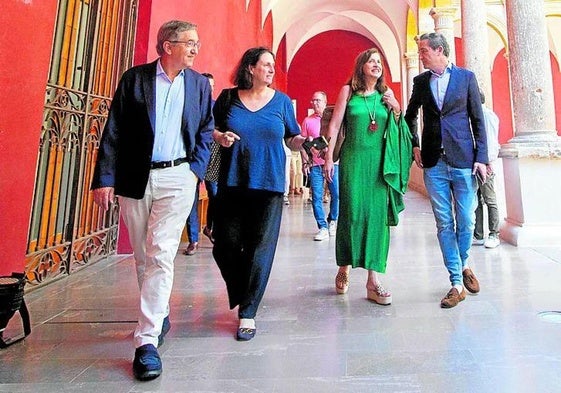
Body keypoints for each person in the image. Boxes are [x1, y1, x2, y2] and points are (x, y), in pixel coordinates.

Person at [91, 20, 214, 380]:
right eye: (189, 43)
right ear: (166, 46)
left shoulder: (197, 85)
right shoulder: (136, 79)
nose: (195, 49)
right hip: (136, 177)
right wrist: (105, 179)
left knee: (161, 251)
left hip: (178, 177)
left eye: (197, 43)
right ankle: (158, 313)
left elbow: (205, 128)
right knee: (145, 257)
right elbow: (114, 129)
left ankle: (145, 342)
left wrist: (196, 171)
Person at [211, 47, 306, 341]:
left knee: (259, 249)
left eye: (273, 66)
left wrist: (302, 141)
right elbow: (210, 128)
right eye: (265, 64)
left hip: (269, 183)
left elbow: (291, 137)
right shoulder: (228, 98)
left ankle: (247, 312)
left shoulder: (280, 102)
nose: (270, 69)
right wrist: (220, 137)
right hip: (232, 180)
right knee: (224, 244)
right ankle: (243, 288)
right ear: (250, 68)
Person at [404, 32, 488, 309]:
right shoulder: (420, 82)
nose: (421, 55)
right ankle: (455, 281)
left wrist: (482, 157)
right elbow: (409, 116)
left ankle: (463, 263)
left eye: (424, 51)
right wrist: (414, 145)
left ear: (440, 51)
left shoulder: (466, 78)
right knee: (444, 223)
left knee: (467, 219)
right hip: (433, 162)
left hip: (464, 159)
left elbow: (478, 119)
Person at [323, 48, 411, 306]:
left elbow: (398, 130)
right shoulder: (347, 91)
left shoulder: (386, 95)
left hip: (379, 165)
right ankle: (344, 265)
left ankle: (373, 280)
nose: (376, 65)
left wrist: (396, 111)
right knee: (351, 213)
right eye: (371, 61)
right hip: (352, 160)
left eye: (379, 62)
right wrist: (329, 158)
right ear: (361, 66)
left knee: (376, 219)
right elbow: (335, 125)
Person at [184, 72, 217, 254]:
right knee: (192, 198)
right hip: (192, 157)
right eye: (207, 85)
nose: (209, 89)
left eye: (212, 86)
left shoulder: (216, 106)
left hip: (212, 157)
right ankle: (193, 240)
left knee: (215, 194)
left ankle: (210, 227)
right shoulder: (191, 105)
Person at [300, 91, 339, 241]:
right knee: (316, 197)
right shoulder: (307, 121)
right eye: (313, 100)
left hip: (333, 163)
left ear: (325, 101)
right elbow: (303, 143)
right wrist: (305, 162)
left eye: (318, 100)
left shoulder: (333, 119)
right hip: (316, 165)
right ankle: (322, 227)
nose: (315, 103)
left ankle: (333, 220)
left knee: (336, 195)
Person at [473, 90, 500, 249]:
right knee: (477, 200)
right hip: (476, 162)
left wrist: (488, 161)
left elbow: (489, 139)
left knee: (489, 199)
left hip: (485, 163)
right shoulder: (477, 115)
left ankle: (494, 234)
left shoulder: (487, 116)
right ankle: (478, 235)